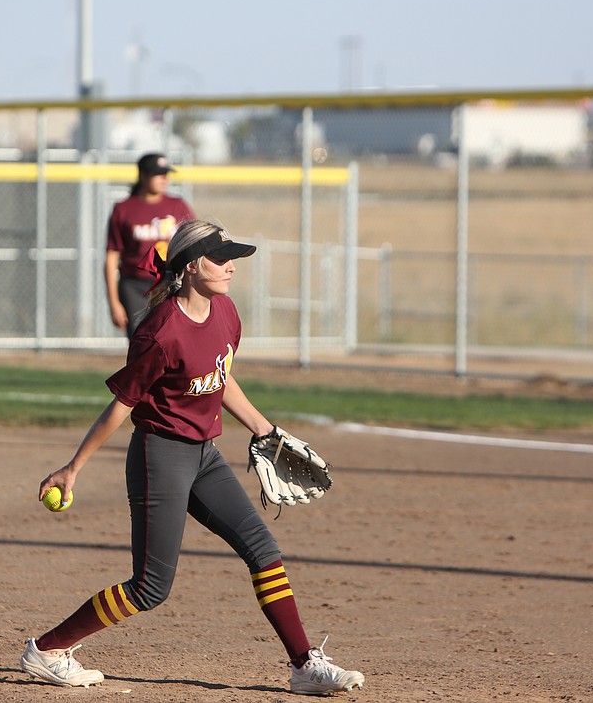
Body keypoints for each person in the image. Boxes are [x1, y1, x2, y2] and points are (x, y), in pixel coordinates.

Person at [21, 219, 365, 696]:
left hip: (205, 456)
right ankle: (47, 649)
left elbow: (220, 377)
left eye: (232, 258)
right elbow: (121, 405)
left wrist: (264, 428)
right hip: (160, 456)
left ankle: (304, 665)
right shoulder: (160, 333)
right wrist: (73, 467)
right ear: (190, 266)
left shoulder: (225, 313)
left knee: (263, 551)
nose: (230, 267)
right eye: (220, 259)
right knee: (150, 588)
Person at [105, 152, 195, 339]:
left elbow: (192, 243)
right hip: (135, 286)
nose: (164, 178)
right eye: (158, 173)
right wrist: (114, 302)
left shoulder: (177, 205)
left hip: (170, 282)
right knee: (142, 341)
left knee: (173, 340)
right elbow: (112, 257)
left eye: (166, 174)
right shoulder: (124, 209)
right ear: (143, 176)